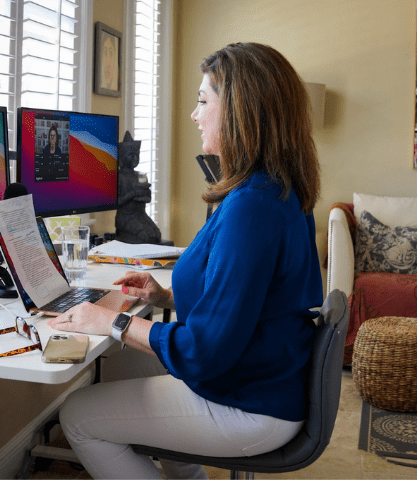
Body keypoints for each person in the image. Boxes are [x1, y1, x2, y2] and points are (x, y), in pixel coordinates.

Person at [47, 42, 323, 479]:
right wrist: (166, 297)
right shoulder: (275, 189)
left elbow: (202, 354)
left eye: (203, 101)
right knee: (121, 362)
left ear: (240, 111)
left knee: (78, 416)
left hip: (252, 404)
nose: (194, 115)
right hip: (263, 374)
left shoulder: (252, 208)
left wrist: (110, 322)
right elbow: (249, 302)